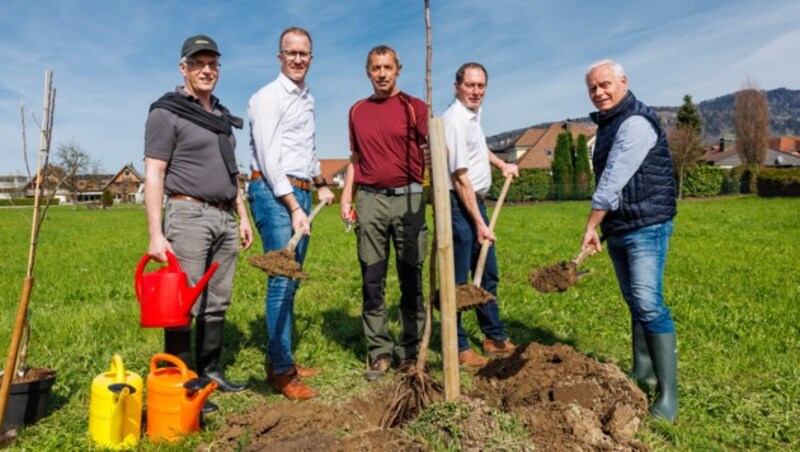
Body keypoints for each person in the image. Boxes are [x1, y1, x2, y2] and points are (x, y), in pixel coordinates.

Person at [144, 34, 253, 414]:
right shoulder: (167, 111)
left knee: (217, 299)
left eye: (213, 64)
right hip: (188, 214)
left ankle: (211, 371)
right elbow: (154, 172)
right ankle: (183, 380)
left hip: (224, 215)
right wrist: (156, 233)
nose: (206, 70)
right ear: (183, 68)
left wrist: (242, 215)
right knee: (183, 301)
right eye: (198, 63)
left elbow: (231, 170)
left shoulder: (221, 117)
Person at [581, 59, 678, 422]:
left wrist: (591, 225)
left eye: (605, 84)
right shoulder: (608, 124)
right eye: (592, 88)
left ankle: (668, 397)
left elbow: (613, 179)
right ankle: (643, 371)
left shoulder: (635, 122)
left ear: (623, 82)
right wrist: (605, 228)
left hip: (647, 225)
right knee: (634, 300)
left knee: (649, 304)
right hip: (622, 226)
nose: (599, 92)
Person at [247, 27, 334, 401]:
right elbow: (268, 158)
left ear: (311, 58)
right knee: (281, 281)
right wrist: (295, 206)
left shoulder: (308, 98)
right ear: (279, 57)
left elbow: (308, 148)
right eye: (291, 52)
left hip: (299, 189)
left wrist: (321, 182)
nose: (298, 59)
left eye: (304, 53)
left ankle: (281, 359)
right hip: (272, 191)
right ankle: (282, 372)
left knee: (291, 280)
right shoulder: (267, 98)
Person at [340, 45, 428, 381]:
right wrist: (348, 196)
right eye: (375, 67)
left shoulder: (415, 107)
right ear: (367, 71)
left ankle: (410, 351)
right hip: (371, 201)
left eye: (387, 67)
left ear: (398, 70)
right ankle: (379, 352)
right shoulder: (357, 111)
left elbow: (431, 149)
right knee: (372, 278)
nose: (381, 73)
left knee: (412, 278)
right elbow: (356, 158)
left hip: (409, 198)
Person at [442, 62, 518, 368]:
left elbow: (478, 149)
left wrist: (501, 164)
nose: (476, 91)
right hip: (460, 206)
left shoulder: (472, 116)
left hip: (475, 204)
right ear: (457, 86)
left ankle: (493, 336)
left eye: (481, 86)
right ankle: (459, 346)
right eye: (470, 85)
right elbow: (460, 176)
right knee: (460, 280)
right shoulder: (454, 121)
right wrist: (478, 223)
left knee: (487, 273)